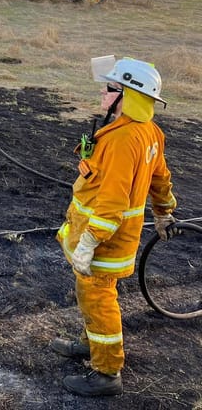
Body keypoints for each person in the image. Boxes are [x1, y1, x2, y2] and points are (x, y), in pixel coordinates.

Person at [53, 56, 178, 397]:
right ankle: (90, 344)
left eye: (110, 89)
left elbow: (112, 200)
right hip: (110, 237)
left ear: (128, 96)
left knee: (98, 297)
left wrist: (90, 241)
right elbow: (161, 178)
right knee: (91, 296)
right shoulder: (146, 131)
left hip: (106, 240)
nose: (102, 93)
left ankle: (107, 372)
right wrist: (165, 212)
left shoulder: (124, 140)